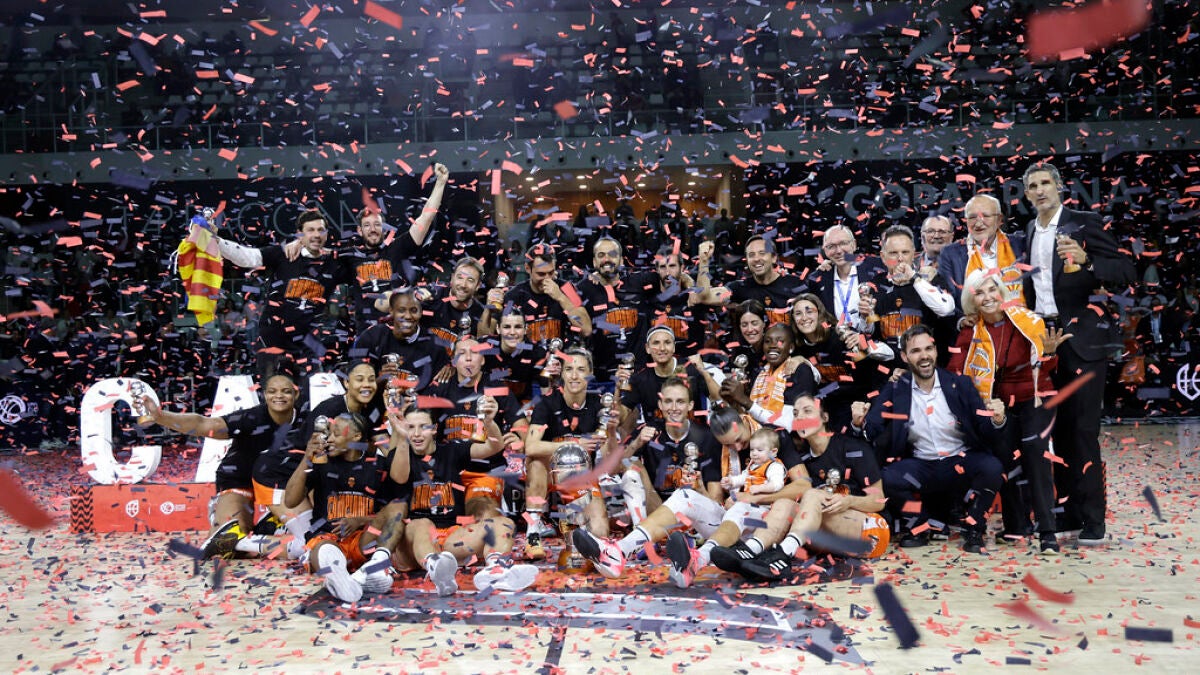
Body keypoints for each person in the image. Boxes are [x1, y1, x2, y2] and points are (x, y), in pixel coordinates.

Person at [1020, 161, 1136, 545]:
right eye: (1033, 185)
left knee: (1084, 431)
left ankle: (1093, 520)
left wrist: (1088, 261)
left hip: (1083, 342)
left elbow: (1126, 270)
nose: (1040, 190)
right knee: (1057, 433)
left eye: (1045, 183)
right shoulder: (1028, 231)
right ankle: (1068, 512)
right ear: (1027, 194)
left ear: (1059, 187)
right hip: (1044, 341)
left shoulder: (1084, 223)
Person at [948, 269, 1070, 554]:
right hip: (997, 404)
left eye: (992, 289)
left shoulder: (1027, 320)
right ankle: (1017, 526)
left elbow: (1047, 368)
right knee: (1002, 457)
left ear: (1001, 292)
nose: (988, 297)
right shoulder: (970, 331)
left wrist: (1050, 354)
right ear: (972, 301)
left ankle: (1047, 532)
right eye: (980, 293)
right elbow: (954, 373)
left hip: (1035, 396)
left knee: (1035, 451)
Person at [856, 324, 1006, 554]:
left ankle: (974, 527)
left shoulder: (961, 384)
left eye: (928, 349)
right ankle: (920, 524)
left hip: (960, 460)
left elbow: (983, 429)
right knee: (887, 478)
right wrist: (859, 423)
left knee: (992, 467)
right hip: (922, 464)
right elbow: (873, 426)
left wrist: (997, 419)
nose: (924, 356)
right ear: (904, 357)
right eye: (916, 351)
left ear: (936, 351)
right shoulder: (896, 388)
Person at [704, 395, 888, 581]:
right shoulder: (803, 458)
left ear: (825, 417)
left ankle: (782, 555)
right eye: (795, 413)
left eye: (807, 411)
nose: (800, 417)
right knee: (784, 502)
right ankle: (750, 550)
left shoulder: (852, 447)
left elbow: (879, 501)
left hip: (870, 532)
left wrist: (849, 501)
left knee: (813, 494)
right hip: (827, 537)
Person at [139, 371, 305, 559]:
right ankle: (237, 527)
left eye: (286, 391)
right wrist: (160, 417)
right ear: (265, 395)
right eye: (272, 391)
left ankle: (273, 523)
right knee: (227, 543)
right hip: (240, 480)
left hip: (281, 484)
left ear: (296, 394)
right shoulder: (250, 418)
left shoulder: (307, 420)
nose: (279, 396)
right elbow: (203, 423)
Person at [389, 408, 538, 595]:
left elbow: (493, 447)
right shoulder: (399, 454)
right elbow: (399, 477)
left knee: (503, 523)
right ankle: (435, 568)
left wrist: (489, 423)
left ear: (434, 429)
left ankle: (496, 570)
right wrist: (402, 438)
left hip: (450, 538)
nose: (416, 433)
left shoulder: (451, 451)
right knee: (422, 524)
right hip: (412, 541)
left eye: (423, 427)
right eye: (411, 427)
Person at [285, 411, 410, 603]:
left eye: (336, 433)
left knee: (398, 507)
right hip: (327, 538)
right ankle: (340, 577)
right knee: (325, 550)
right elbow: (290, 501)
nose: (329, 439)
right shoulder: (321, 462)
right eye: (329, 433)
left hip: (361, 540)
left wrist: (360, 520)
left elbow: (392, 510)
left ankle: (376, 566)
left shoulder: (378, 465)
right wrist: (306, 458)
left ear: (356, 436)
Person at [217, 210, 350, 379]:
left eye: (320, 230)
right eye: (310, 230)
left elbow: (363, 257)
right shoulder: (283, 254)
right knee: (273, 392)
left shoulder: (335, 263)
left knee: (311, 393)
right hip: (273, 342)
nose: (316, 235)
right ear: (300, 234)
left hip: (308, 345)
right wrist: (216, 241)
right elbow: (247, 257)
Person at [522, 347, 619, 557]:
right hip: (549, 474)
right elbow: (530, 446)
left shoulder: (599, 405)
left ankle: (569, 520)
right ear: (562, 374)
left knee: (600, 532)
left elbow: (610, 459)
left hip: (582, 476)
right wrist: (575, 444)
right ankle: (533, 532)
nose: (574, 376)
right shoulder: (547, 403)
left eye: (581, 370)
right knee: (536, 463)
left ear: (590, 374)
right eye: (569, 369)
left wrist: (611, 432)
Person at [334, 163, 449, 335]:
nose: (373, 229)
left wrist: (440, 182)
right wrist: (298, 243)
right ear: (359, 230)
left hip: (398, 332)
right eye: (367, 225)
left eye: (377, 224)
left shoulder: (396, 249)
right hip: (367, 334)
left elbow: (426, 218)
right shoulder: (350, 256)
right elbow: (319, 254)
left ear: (385, 228)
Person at [719, 322, 817, 431]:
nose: (772, 345)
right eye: (767, 341)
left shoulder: (800, 370)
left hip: (782, 438)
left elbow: (789, 424)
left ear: (791, 347)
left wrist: (745, 401)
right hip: (757, 435)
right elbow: (751, 416)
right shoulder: (759, 372)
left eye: (780, 341)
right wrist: (734, 403)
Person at [938, 193, 1027, 312]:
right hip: (973, 321)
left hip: (1020, 319)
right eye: (972, 217)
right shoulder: (950, 254)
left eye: (986, 216)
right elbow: (948, 299)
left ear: (999, 219)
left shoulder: (1020, 245)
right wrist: (961, 320)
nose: (979, 223)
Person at [352, 289, 450, 394]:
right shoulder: (372, 337)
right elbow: (357, 387)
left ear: (421, 312)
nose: (408, 316)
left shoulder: (435, 346)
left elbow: (438, 391)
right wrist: (380, 380)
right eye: (401, 310)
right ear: (391, 311)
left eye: (414, 310)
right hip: (378, 400)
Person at [501, 243, 592, 347]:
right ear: (527, 268)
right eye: (541, 274)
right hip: (528, 354)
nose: (547, 279)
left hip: (562, 354)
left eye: (551, 273)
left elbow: (586, 330)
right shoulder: (514, 296)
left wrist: (561, 297)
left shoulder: (568, 289)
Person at [693, 236, 807, 318]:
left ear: (773, 258)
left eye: (762, 253)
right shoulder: (740, 288)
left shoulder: (796, 285)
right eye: (751, 255)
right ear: (747, 261)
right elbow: (704, 297)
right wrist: (704, 260)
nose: (756, 259)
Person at [810, 225, 885, 332]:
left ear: (854, 245)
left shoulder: (877, 267)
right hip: (837, 340)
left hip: (875, 338)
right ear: (825, 250)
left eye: (843, 243)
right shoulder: (818, 279)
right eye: (831, 246)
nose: (838, 251)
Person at [422, 257, 487, 353]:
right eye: (460, 277)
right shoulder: (433, 294)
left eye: (470, 280)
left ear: (478, 286)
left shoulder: (480, 314)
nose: (463, 285)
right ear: (452, 278)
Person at [720, 428, 786, 498]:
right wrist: (731, 481)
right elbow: (744, 478)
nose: (754, 453)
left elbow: (777, 484)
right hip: (749, 499)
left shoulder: (774, 466)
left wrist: (761, 488)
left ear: (773, 452)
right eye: (752, 449)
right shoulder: (753, 465)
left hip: (765, 500)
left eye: (759, 450)